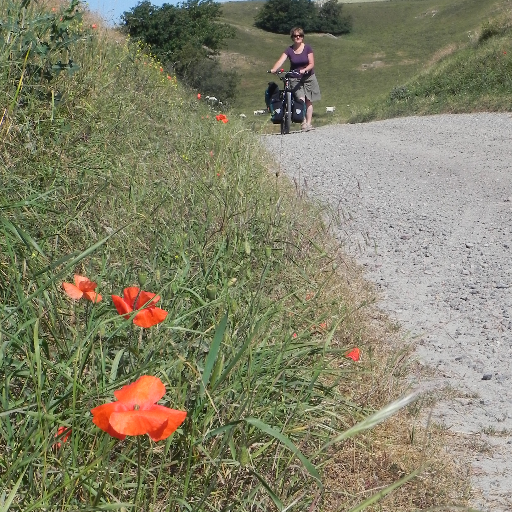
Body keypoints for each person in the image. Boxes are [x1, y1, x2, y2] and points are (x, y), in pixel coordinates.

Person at [270, 27, 321, 131]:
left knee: (309, 101)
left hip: (308, 77)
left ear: (302, 37)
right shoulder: (289, 50)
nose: (298, 37)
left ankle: (308, 123)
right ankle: (302, 122)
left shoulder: (307, 48)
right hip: (295, 78)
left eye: (300, 35)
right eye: (295, 36)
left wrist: (305, 69)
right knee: (300, 99)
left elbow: (311, 63)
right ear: (292, 37)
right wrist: (274, 69)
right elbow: (281, 60)